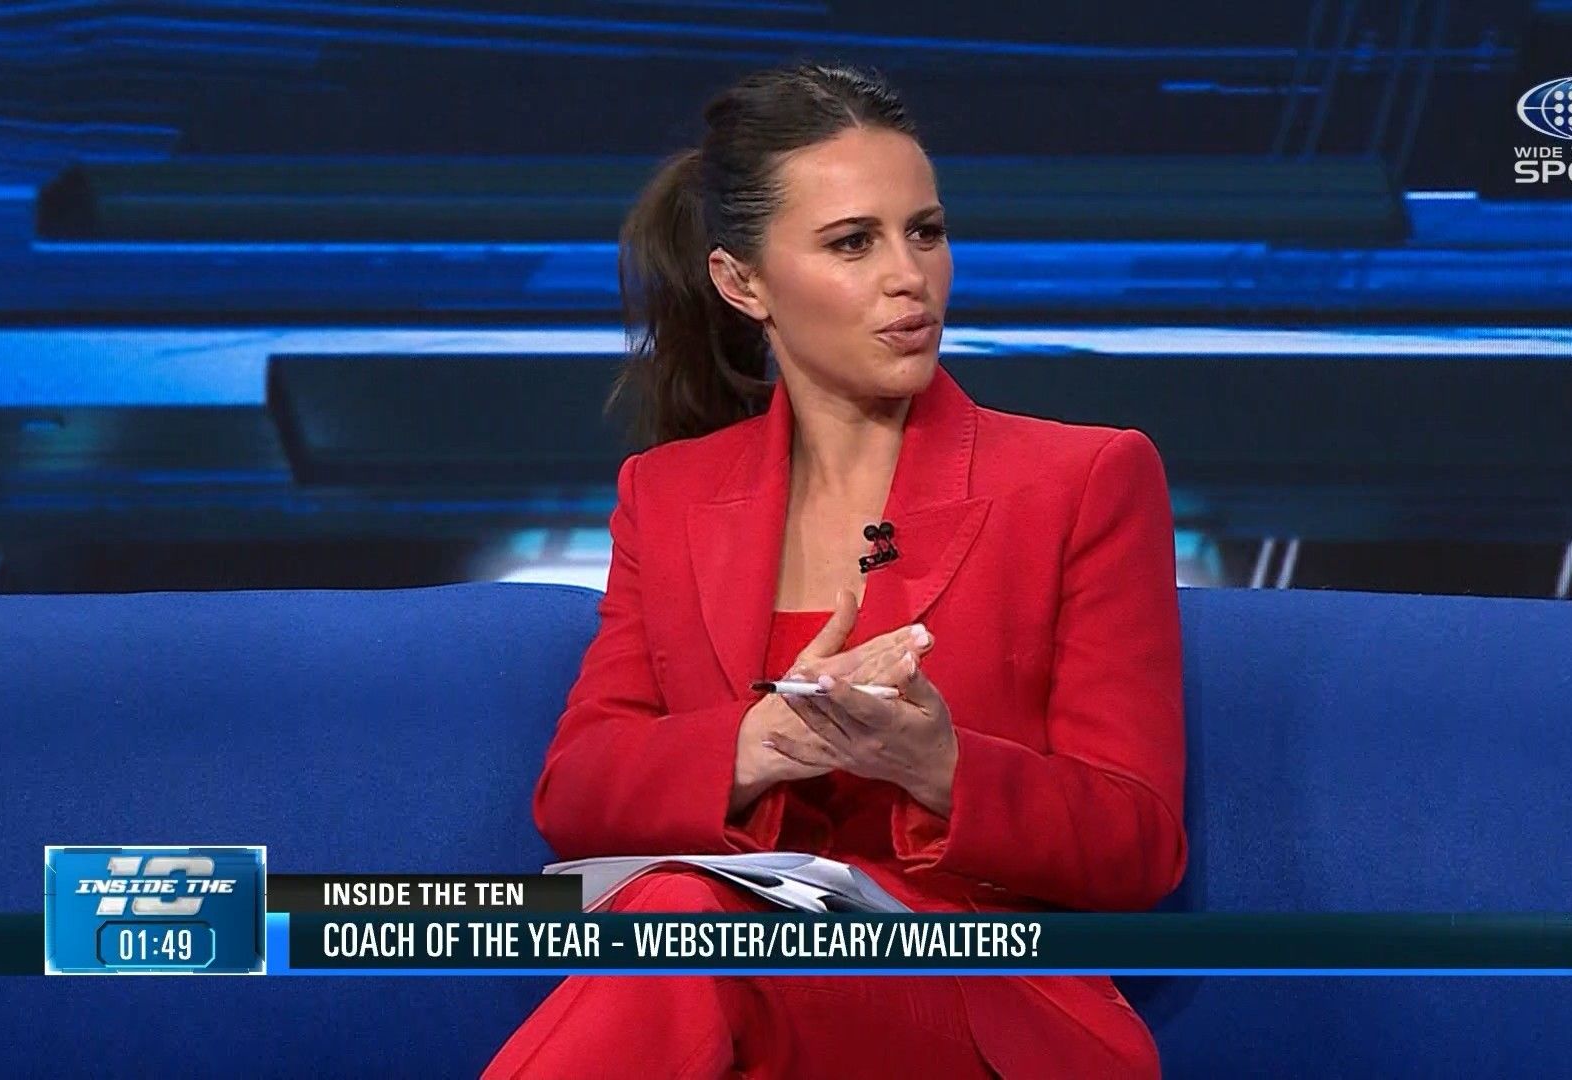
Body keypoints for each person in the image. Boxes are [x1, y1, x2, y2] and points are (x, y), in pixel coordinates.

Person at [483, 61, 1186, 1080]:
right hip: (736, 975)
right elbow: (578, 795)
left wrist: (936, 766)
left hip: (981, 995)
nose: (911, 277)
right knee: (681, 914)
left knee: (681, 921)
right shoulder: (667, 496)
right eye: (854, 242)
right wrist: (763, 741)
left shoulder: (1086, 479)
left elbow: (1138, 844)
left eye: (926, 232)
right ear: (743, 284)